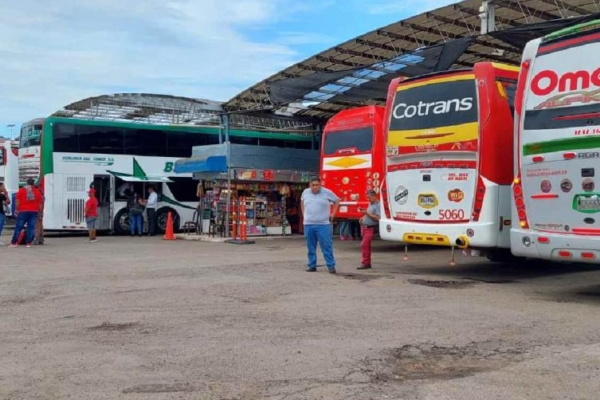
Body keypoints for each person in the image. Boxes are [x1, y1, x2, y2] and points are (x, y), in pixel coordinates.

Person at [301, 177, 340, 273]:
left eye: (316, 185)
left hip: (323, 225)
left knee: (326, 246)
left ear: (320, 184)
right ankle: (312, 265)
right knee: (310, 247)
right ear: (310, 185)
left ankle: (331, 266)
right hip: (308, 224)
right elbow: (302, 203)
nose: (314, 187)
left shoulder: (327, 192)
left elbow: (337, 201)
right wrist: (304, 215)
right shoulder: (305, 192)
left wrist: (333, 215)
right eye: (312, 185)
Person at [10, 178, 44, 248]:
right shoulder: (37, 191)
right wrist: (40, 212)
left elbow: (17, 201)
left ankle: (13, 243)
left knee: (19, 227)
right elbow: (40, 203)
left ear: (27, 183)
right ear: (33, 183)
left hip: (23, 211)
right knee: (31, 227)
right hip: (34, 211)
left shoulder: (22, 190)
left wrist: (16, 209)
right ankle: (28, 242)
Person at [357, 190, 381, 270]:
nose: (368, 199)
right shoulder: (371, 203)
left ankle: (365, 263)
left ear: (374, 196)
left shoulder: (378, 205)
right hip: (364, 227)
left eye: (369, 198)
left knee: (364, 244)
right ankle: (367, 263)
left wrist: (366, 213)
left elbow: (378, 218)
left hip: (370, 228)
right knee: (366, 246)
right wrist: (363, 218)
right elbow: (369, 214)